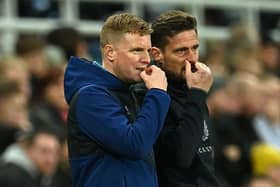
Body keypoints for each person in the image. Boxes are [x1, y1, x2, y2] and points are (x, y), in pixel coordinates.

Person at [64, 13, 170, 187]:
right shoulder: (90, 98)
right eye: (136, 50)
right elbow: (135, 144)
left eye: (148, 51)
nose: (146, 59)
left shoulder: (131, 91)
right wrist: (158, 92)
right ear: (110, 52)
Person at [149, 10, 220, 186]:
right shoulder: (150, 95)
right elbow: (182, 157)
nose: (192, 59)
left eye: (195, 48)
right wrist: (197, 94)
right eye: (181, 51)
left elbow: (204, 159)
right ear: (157, 54)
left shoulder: (193, 86)